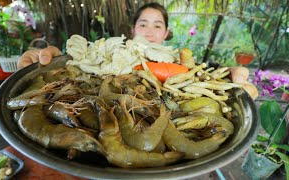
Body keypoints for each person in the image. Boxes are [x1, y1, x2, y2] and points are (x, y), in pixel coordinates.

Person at [17, 2, 258, 99]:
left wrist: (231, 76)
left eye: (157, 25)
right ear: (133, 31)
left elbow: (209, 73)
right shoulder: (110, 53)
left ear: (165, 34)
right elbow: (80, 59)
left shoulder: (180, 62)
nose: (149, 31)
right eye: (143, 24)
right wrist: (52, 59)